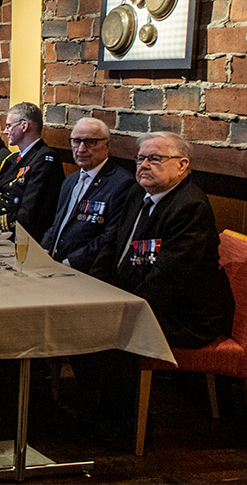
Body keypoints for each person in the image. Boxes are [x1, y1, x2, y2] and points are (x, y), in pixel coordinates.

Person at [73, 132, 234, 443]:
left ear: (182, 165)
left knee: (110, 325)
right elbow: (111, 246)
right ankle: (102, 404)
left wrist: (122, 308)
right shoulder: (138, 194)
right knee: (81, 312)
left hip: (184, 315)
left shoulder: (190, 207)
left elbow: (168, 278)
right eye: (140, 158)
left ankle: (127, 422)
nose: (144, 165)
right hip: (136, 296)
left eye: (155, 158)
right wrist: (93, 287)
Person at [40, 118, 134, 272]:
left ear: (107, 146)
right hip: (54, 265)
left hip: (85, 270)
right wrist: (43, 251)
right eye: (76, 141)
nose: (81, 149)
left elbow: (110, 236)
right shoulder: (70, 180)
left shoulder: (121, 183)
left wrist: (70, 262)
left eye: (90, 142)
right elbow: (58, 223)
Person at [0, 102, 64, 239]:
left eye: (9, 126)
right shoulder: (12, 159)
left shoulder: (45, 160)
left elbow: (30, 213)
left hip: (21, 236)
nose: (5, 131)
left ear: (24, 126)